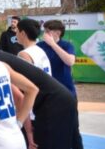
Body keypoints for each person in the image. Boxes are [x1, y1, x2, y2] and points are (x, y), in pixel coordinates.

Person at [0, 49, 80, 149]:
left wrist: (20, 127)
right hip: (62, 98)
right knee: (73, 142)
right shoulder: (37, 51)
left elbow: (22, 96)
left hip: (52, 103)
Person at [38, 20, 83, 149]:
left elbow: (70, 61)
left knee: (73, 127)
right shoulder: (40, 46)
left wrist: (53, 44)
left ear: (57, 32)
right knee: (51, 128)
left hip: (67, 92)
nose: (44, 34)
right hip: (48, 94)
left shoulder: (67, 45)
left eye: (47, 31)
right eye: (44, 31)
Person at [14, 19, 52, 149]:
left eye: (17, 31)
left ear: (23, 33)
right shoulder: (41, 51)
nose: (15, 34)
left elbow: (24, 92)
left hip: (33, 111)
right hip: (46, 107)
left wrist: (27, 127)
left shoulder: (24, 55)